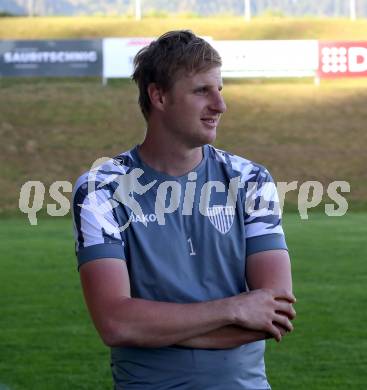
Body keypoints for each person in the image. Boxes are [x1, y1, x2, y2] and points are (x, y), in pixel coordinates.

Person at [72, 30, 296, 390]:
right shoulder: (102, 188)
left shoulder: (251, 179)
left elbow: (276, 313)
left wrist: (152, 327)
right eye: (201, 91)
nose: (220, 105)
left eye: (220, 89)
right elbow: (115, 322)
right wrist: (233, 309)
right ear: (159, 96)